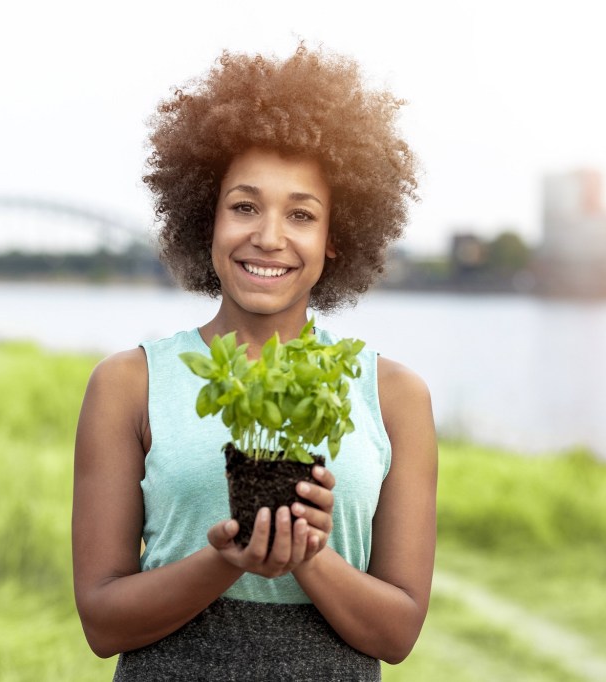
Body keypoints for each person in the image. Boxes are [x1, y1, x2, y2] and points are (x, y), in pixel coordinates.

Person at [72, 45, 437, 681]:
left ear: (335, 238)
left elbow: (398, 632)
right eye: (244, 206)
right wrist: (229, 557)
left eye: (301, 215)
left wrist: (307, 554)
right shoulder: (128, 384)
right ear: (204, 218)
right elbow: (103, 623)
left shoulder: (396, 396)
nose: (268, 236)